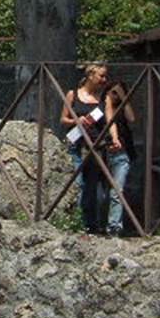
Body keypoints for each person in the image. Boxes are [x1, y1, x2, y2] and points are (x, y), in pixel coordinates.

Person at [60, 64, 109, 234]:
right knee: (78, 184)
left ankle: (91, 225)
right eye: (101, 76)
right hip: (75, 142)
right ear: (90, 75)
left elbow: (110, 122)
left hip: (95, 147)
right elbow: (63, 119)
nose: (104, 80)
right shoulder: (73, 94)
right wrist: (77, 121)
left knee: (92, 187)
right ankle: (76, 223)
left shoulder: (104, 98)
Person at [103, 79, 137, 236]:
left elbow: (131, 118)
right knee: (101, 192)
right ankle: (96, 224)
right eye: (113, 92)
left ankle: (114, 227)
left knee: (117, 190)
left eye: (118, 93)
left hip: (121, 153)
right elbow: (108, 121)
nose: (115, 96)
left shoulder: (123, 108)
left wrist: (124, 97)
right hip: (102, 152)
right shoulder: (100, 107)